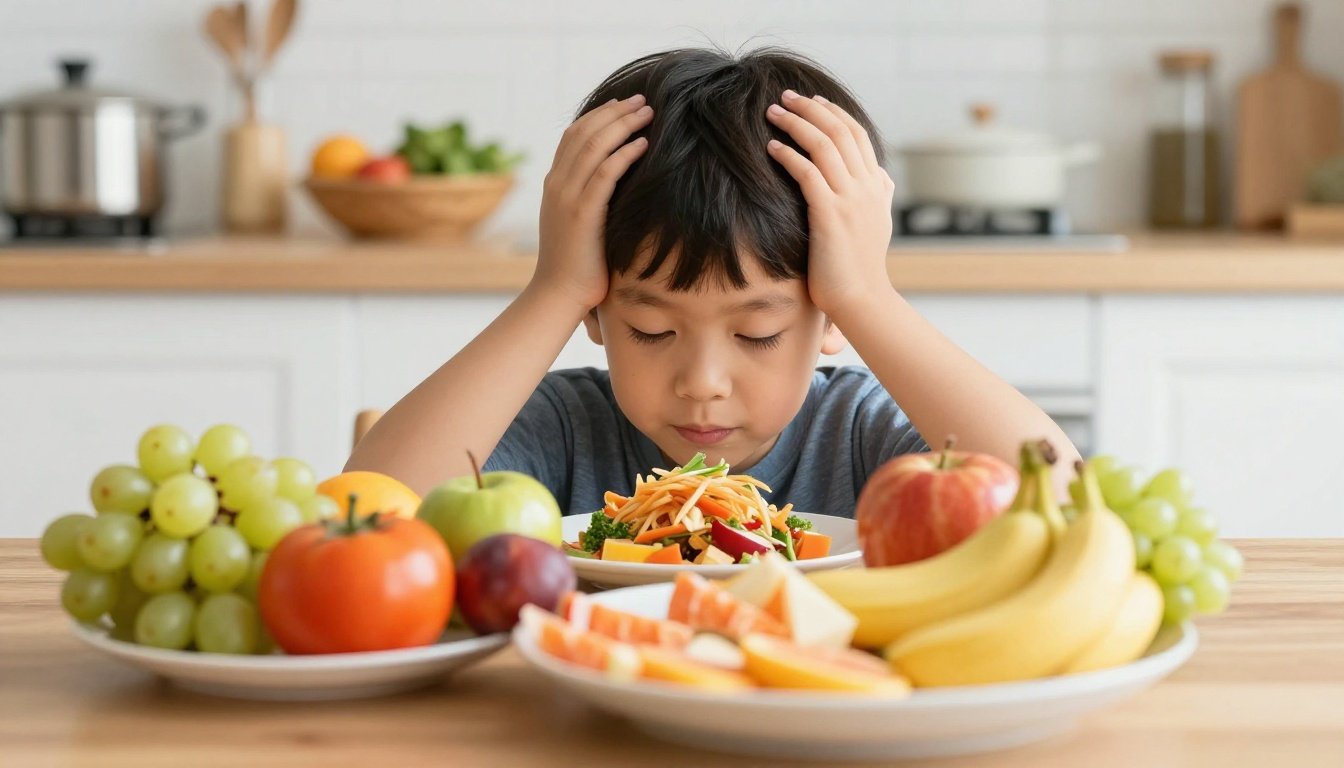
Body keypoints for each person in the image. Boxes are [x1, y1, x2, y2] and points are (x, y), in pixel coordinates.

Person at [346, 46, 1079, 517]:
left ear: (828, 320)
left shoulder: (857, 435)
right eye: (653, 330)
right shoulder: (565, 431)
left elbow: (1065, 499)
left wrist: (867, 298)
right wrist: (553, 290)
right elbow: (373, 511)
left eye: (757, 333)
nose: (702, 383)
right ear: (598, 307)